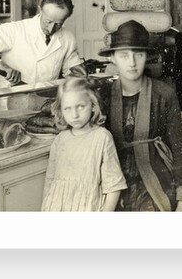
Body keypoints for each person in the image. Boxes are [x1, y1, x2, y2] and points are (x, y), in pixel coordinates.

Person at [99, 20, 182, 212]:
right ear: (112, 58)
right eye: (124, 55)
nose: (132, 63)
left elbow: (179, 147)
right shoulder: (104, 95)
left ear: (147, 56)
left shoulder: (164, 94)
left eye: (138, 54)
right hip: (114, 183)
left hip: (155, 180)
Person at [0, 0, 87, 88]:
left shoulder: (67, 37)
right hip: (10, 101)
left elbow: (73, 69)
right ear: (40, 10)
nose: (51, 28)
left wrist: (77, 73)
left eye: (58, 24)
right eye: (48, 21)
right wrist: (1, 66)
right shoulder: (15, 30)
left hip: (45, 100)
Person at [40, 78, 127, 212]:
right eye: (67, 109)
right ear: (61, 110)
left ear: (93, 105)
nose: (74, 115)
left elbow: (114, 185)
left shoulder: (102, 137)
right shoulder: (60, 139)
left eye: (80, 106)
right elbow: (49, 180)